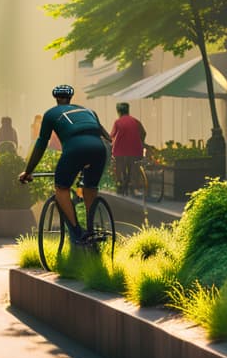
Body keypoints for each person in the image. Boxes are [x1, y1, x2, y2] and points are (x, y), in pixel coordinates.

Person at [18, 85, 111, 247]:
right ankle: (91, 230)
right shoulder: (89, 112)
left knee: (61, 188)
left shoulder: (50, 114)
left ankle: (77, 233)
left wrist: (28, 171)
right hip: (99, 149)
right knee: (90, 187)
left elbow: (41, 144)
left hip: (75, 149)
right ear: (71, 98)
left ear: (56, 98)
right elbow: (107, 137)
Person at [110, 102, 147, 196]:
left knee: (119, 167)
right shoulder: (135, 121)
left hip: (120, 151)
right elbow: (143, 133)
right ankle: (135, 188)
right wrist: (140, 142)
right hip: (135, 150)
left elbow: (112, 135)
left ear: (118, 111)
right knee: (134, 168)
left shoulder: (118, 122)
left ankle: (120, 184)